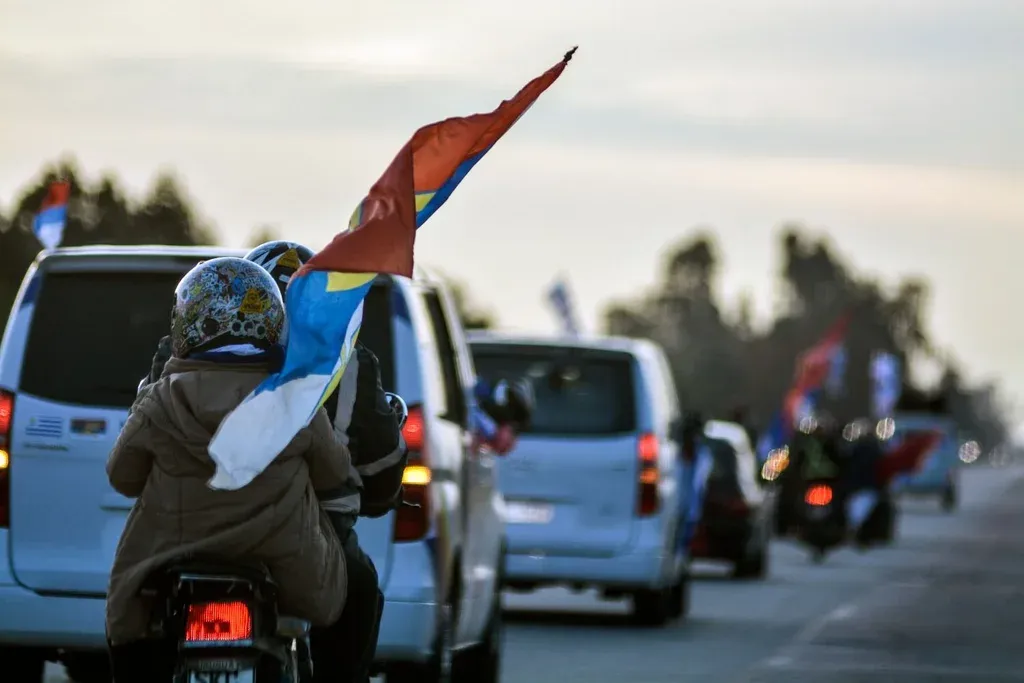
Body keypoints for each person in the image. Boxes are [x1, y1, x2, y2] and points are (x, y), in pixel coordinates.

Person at [106, 257, 351, 682]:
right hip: (286, 568)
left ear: (188, 322)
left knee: (132, 643)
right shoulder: (294, 400)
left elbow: (122, 477)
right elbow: (334, 474)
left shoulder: (160, 400)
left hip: (170, 559)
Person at [245, 240, 406, 683]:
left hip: (200, 525)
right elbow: (381, 465)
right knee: (359, 588)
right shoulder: (347, 365)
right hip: (313, 535)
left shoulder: (193, 360)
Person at [675, 411, 712, 555]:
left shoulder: (703, 456)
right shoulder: (674, 455)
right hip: (674, 508)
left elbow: (700, 484)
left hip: (691, 511)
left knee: (684, 546)